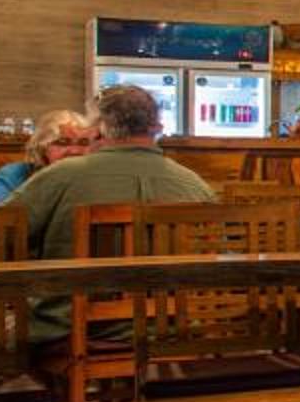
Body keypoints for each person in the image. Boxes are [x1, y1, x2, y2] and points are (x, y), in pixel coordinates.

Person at [12, 83, 214, 344]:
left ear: (98, 129)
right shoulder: (195, 185)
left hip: (73, 330)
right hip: (174, 328)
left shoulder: (62, 175)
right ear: (156, 127)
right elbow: (215, 258)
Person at [0, 110, 93, 205]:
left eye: (83, 143)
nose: (74, 151)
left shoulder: (95, 176)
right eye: (63, 143)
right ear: (42, 148)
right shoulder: (16, 174)